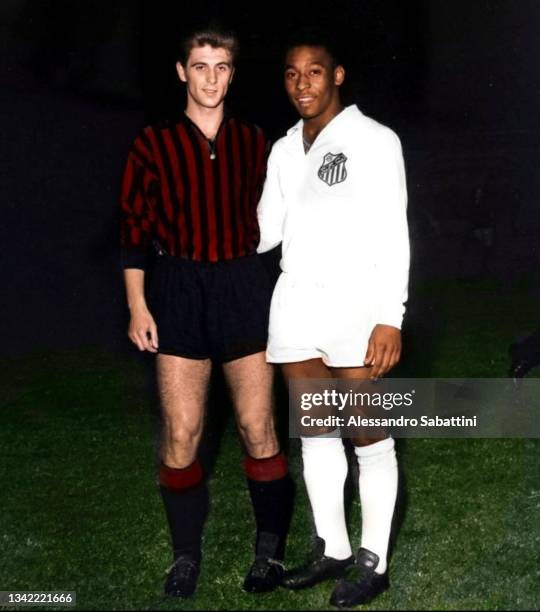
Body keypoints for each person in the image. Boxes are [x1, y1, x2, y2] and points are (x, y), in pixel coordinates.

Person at [119, 26, 293, 599]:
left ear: (233, 74)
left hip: (243, 284)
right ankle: (185, 556)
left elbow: (285, 222)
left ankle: (268, 552)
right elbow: (133, 234)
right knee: (182, 433)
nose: (211, 78)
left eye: (221, 67)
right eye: (200, 66)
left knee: (257, 426)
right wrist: (138, 305)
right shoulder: (153, 143)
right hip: (177, 287)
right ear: (181, 72)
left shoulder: (255, 143)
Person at [257, 33, 409, 607]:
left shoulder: (374, 140)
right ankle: (334, 549)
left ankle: (374, 561)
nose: (302, 84)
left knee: (367, 431)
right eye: (292, 74)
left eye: (314, 73)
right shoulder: (281, 148)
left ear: (337, 75)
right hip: (296, 298)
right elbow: (265, 232)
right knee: (316, 430)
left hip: (356, 300)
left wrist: (389, 316)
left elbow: (394, 232)